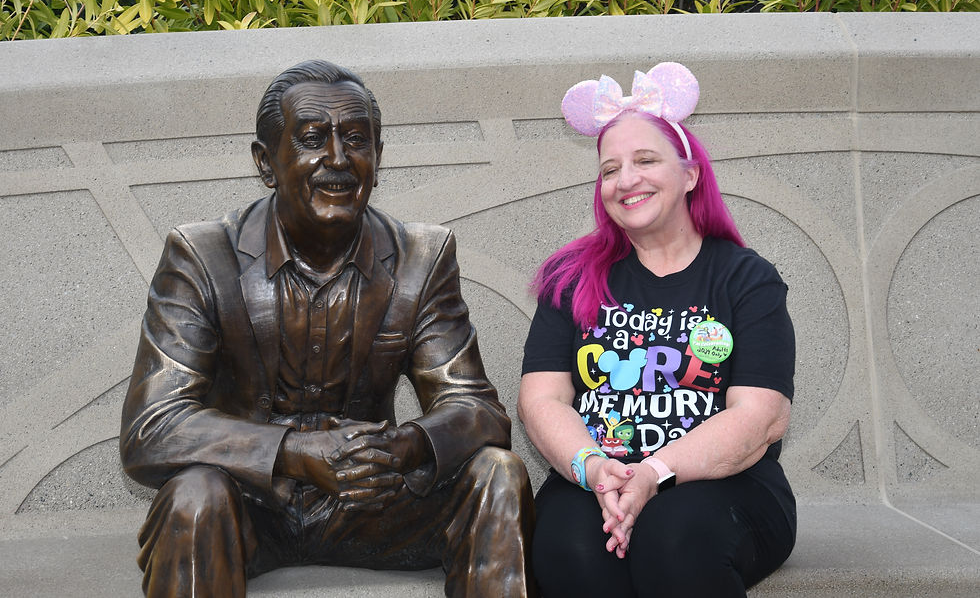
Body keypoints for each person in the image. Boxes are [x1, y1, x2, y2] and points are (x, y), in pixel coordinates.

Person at [120, 60, 535, 598]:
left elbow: (478, 411)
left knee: (499, 473)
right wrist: (293, 453)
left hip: (372, 503)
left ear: (378, 160)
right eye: (314, 138)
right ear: (266, 163)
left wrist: (404, 447)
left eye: (357, 140)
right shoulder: (203, 256)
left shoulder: (420, 258)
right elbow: (152, 428)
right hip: (249, 504)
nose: (338, 159)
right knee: (194, 494)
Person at [518, 63, 796, 597]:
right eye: (609, 169)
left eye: (645, 160)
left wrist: (654, 473)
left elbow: (762, 417)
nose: (626, 180)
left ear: (690, 174)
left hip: (723, 485)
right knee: (569, 550)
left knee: (673, 543)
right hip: (593, 478)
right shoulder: (569, 278)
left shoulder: (746, 278)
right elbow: (542, 400)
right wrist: (597, 469)